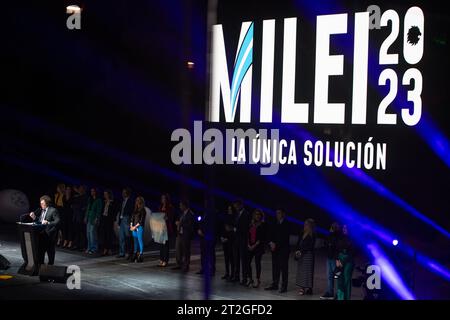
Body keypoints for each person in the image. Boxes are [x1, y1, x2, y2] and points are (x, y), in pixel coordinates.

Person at [28, 195, 60, 265]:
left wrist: (48, 222)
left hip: (50, 235)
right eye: (40, 203)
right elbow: (40, 221)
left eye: (42, 203)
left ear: (47, 203)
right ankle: (41, 266)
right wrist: (34, 217)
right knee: (41, 251)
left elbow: (57, 221)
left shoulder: (53, 210)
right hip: (41, 234)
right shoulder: (42, 210)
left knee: (50, 252)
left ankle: (50, 266)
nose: (41, 205)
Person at [265, 208, 290, 293]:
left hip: (283, 249)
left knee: (284, 268)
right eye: (276, 213)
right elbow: (270, 233)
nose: (277, 214)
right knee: (275, 267)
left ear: (283, 214)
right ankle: (275, 284)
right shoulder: (274, 222)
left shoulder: (287, 223)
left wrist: (276, 244)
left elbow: (285, 237)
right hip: (274, 249)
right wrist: (271, 243)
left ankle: (284, 286)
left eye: (279, 213)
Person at [320, 222, 342, 300]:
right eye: (332, 226)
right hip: (329, 258)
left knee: (337, 276)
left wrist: (337, 259)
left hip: (335, 258)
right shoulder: (330, 235)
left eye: (334, 227)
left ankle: (338, 293)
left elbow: (337, 248)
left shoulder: (338, 236)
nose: (332, 228)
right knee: (329, 276)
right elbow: (326, 244)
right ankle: (330, 292)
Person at [295, 218, 316, 295]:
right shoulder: (302, 232)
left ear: (310, 225)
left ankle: (309, 288)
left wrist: (302, 251)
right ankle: (302, 288)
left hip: (308, 255)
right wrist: (297, 250)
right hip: (301, 254)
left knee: (308, 272)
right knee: (301, 272)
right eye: (305, 224)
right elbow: (298, 242)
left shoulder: (313, 234)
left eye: (306, 224)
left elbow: (310, 246)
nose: (305, 225)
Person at [232, 199, 250, 285]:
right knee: (236, 259)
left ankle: (244, 278)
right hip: (236, 240)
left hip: (243, 240)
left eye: (236, 205)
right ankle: (236, 276)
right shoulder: (237, 214)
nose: (235, 207)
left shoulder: (246, 214)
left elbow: (245, 228)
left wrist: (236, 229)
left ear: (240, 205)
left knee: (243, 260)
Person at [246, 209, 266, 288]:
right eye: (256, 214)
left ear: (261, 216)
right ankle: (250, 279)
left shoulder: (263, 225)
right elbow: (247, 235)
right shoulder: (251, 224)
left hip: (258, 246)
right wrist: (248, 245)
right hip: (250, 246)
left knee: (257, 263)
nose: (257, 216)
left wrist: (254, 246)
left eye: (259, 214)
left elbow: (262, 238)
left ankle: (258, 280)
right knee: (247, 262)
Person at [173, 199, 195, 272]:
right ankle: (179, 264)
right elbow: (180, 222)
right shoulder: (182, 214)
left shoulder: (190, 214)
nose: (180, 207)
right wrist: (178, 223)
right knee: (178, 250)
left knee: (186, 251)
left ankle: (186, 266)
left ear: (184, 206)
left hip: (186, 235)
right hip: (180, 234)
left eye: (181, 205)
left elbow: (190, 226)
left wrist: (180, 224)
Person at [336, 224, 354, 300]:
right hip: (340, 259)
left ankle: (346, 298)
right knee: (339, 279)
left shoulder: (353, 238)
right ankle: (340, 298)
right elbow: (336, 249)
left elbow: (354, 251)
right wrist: (337, 260)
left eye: (346, 228)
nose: (344, 229)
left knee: (347, 280)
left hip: (349, 260)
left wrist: (347, 255)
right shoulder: (340, 237)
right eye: (343, 228)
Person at [117, 188, 134, 259]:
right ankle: (121, 252)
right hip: (122, 219)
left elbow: (131, 211)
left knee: (128, 237)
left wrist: (130, 221)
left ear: (127, 193)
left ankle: (129, 253)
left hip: (127, 219)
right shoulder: (122, 201)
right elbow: (120, 211)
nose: (122, 193)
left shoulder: (130, 201)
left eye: (124, 192)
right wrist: (119, 221)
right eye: (122, 192)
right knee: (121, 237)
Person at [99, 190, 117, 256]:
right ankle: (105, 249)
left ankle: (109, 249)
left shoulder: (113, 202)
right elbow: (102, 211)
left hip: (109, 220)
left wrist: (113, 220)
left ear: (109, 195)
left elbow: (114, 212)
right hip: (104, 219)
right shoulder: (103, 202)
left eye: (106, 194)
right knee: (104, 235)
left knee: (109, 235)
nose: (105, 195)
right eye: (104, 194)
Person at [158, 193, 174, 267]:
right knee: (161, 244)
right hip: (161, 227)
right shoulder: (160, 206)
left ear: (166, 199)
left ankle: (165, 260)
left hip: (166, 227)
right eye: (162, 198)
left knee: (166, 245)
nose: (162, 199)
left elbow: (171, 217)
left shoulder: (169, 207)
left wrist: (167, 218)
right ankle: (161, 259)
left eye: (163, 198)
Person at [220, 205, 235, 280]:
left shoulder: (234, 218)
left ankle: (232, 274)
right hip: (225, 240)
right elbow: (224, 228)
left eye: (230, 209)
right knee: (226, 258)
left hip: (230, 240)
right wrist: (222, 237)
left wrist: (227, 238)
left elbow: (232, 230)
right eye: (228, 209)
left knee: (231, 258)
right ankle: (227, 273)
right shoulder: (226, 217)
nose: (229, 210)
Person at [85, 188, 102, 254]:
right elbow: (88, 208)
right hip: (89, 218)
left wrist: (97, 218)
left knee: (93, 233)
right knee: (88, 233)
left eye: (93, 191)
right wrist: (86, 216)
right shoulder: (90, 199)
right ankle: (89, 247)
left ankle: (94, 248)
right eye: (91, 191)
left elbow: (99, 210)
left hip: (94, 218)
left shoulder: (98, 200)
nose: (92, 192)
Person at [71, 185, 88, 251]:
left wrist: (79, 208)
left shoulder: (85, 197)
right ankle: (77, 245)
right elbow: (73, 204)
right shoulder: (77, 196)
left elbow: (84, 207)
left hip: (81, 217)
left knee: (83, 232)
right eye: (79, 188)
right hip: (76, 216)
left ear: (84, 190)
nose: (80, 190)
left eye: (81, 189)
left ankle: (84, 246)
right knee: (77, 232)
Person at [130, 196, 147, 263]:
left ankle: (141, 254)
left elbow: (141, 221)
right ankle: (135, 254)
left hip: (139, 227)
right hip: (134, 227)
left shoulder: (143, 210)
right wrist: (131, 225)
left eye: (139, 201)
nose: (137, 202)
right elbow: (132, 218)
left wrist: (135, 227)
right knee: (135, 241)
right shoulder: (135, 210)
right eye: (137, 201)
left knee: (140, 240)